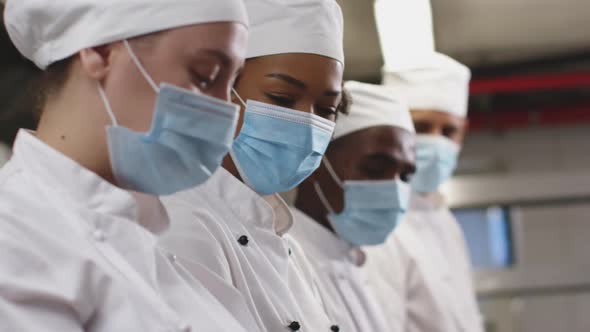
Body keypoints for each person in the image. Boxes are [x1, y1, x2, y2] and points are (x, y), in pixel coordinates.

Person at [0, 1, 261, 331]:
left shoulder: (147, 242)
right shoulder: (17, 242)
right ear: (100, 52)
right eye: (205, 76)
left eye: (232, 84)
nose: (226, 110)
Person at [159, 0, 347, 330]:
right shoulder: (178, 220)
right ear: (217, 87)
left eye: (326, 110)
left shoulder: (285, 243)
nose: (307, 123)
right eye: (282, 99)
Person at [364, 51, 484, 332]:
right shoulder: (375, 224)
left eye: (448, 131)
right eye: (421, 127)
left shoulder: (446, 222)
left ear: (463, 132)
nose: (435, 141)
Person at [290, 80, 416, 332]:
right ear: (314, 160)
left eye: (404, 176)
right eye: (375, 169)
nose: (393, 189)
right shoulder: (285, 260)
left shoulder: (357, 263)